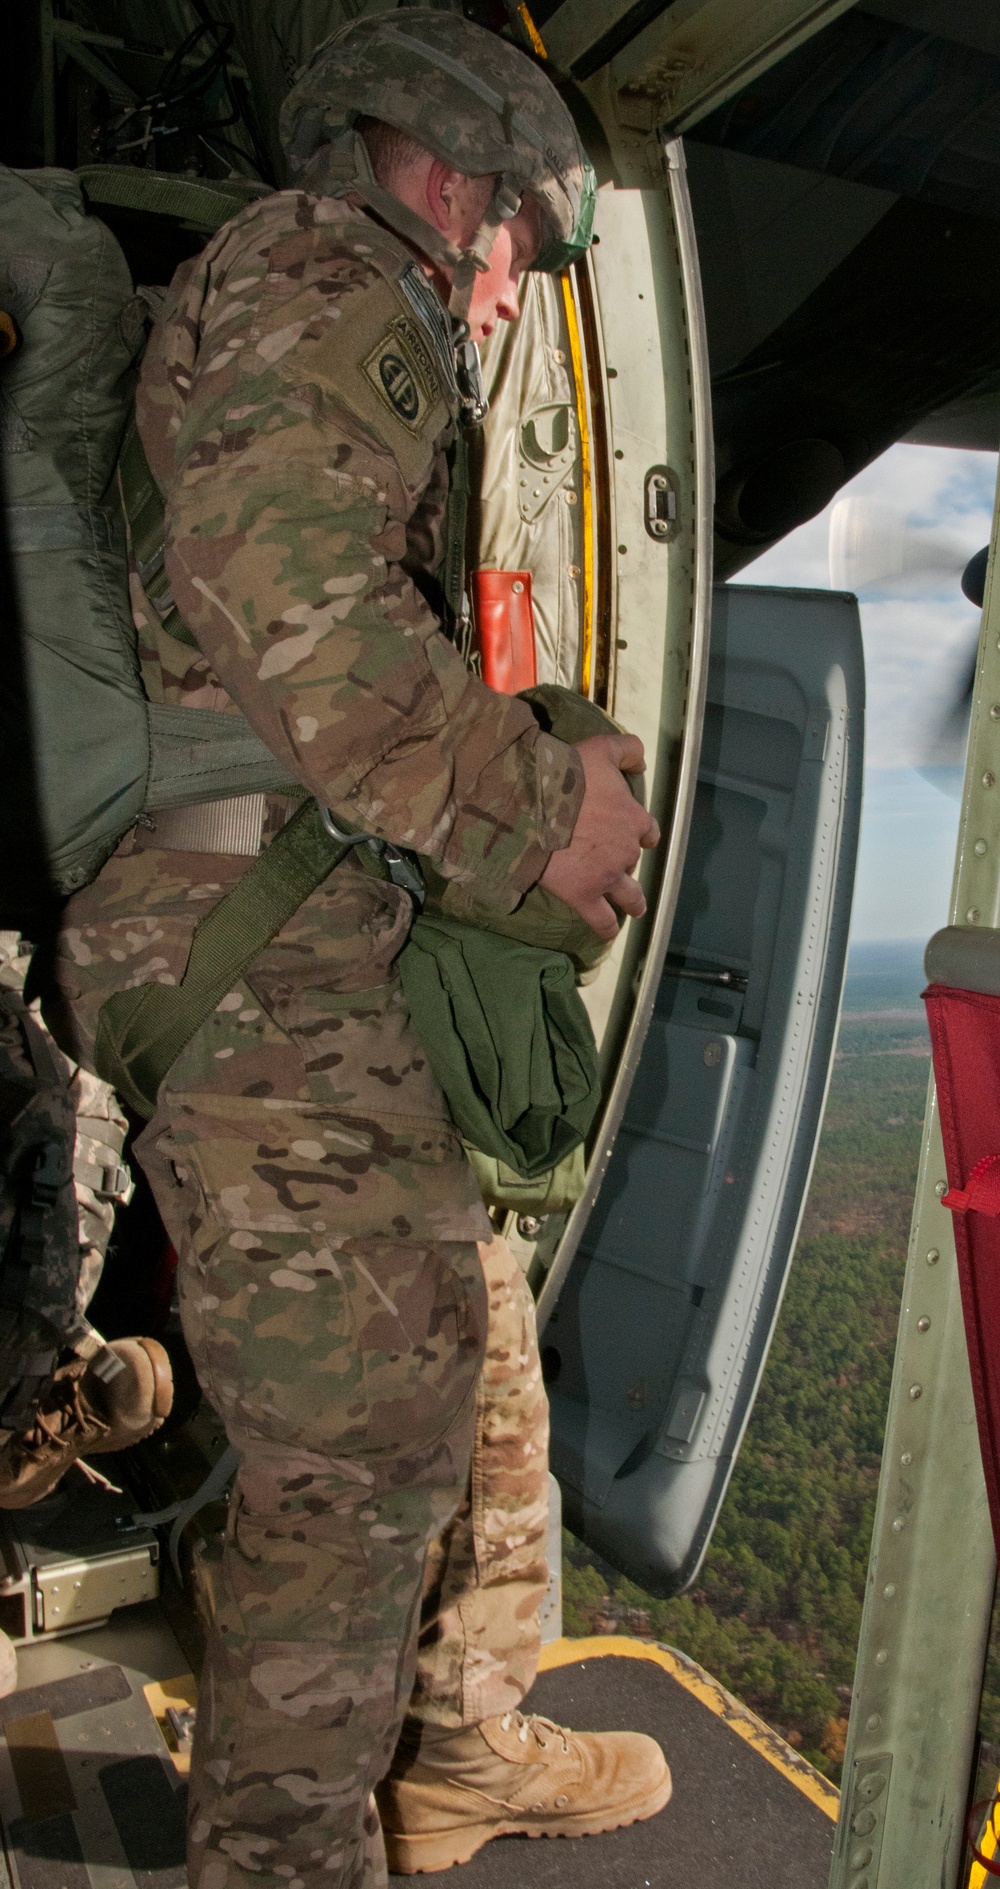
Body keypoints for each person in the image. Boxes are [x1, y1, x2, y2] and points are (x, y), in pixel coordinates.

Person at [43, 13, 667, 1886]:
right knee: (350, 1475)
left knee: (427, 1383)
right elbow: (299, 618)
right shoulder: (331, 269)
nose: (504, 306)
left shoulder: (311, 298)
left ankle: (446, 1750)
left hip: (277, 926)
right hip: (246, 939)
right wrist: (544, 808)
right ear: (455, 184)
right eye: (522, 263)